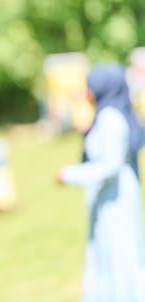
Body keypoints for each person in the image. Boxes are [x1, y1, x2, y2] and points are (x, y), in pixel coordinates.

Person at [57, 64, 145, 301]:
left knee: (118, 254)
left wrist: (68, 174)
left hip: (115, 197)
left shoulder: (110, 117)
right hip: (113, 194)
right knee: (108, 253)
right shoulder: (111, 112)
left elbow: (110, 165)